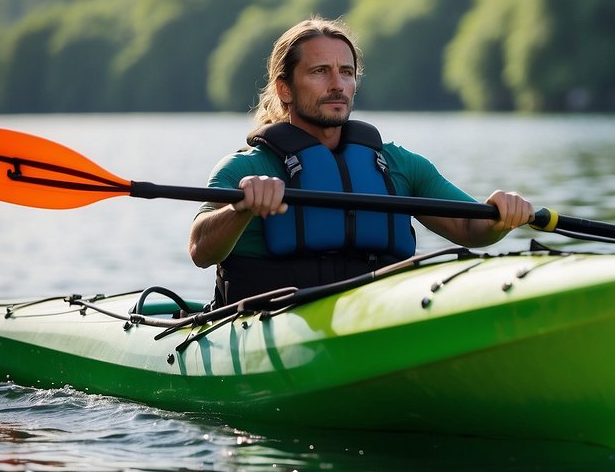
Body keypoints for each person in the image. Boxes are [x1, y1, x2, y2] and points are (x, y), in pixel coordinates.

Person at [190, 16, 534, 304]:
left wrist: (498, 218)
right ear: (285, 89)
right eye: (320, 72)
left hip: (375, 311)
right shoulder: (246, 169)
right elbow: (200, 250)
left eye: (347, 72)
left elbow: (470, 229)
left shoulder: (399, 165)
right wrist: (240, 209)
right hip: (273, 320)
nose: (337, 84)